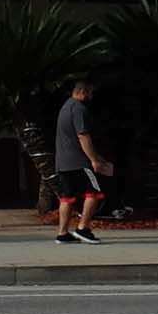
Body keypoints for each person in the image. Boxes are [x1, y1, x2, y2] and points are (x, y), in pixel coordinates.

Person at [53, 78, 112, 245]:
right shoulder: (79, 109)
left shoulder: (66, 107)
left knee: (66, 197)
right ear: (83, 91)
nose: (92, 96)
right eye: (91, 92)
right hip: (79, 161)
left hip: (63, 162)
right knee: (94, 193)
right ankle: (83, 228)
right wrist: (95, 159)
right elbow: (83, 136)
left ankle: (62, 233)